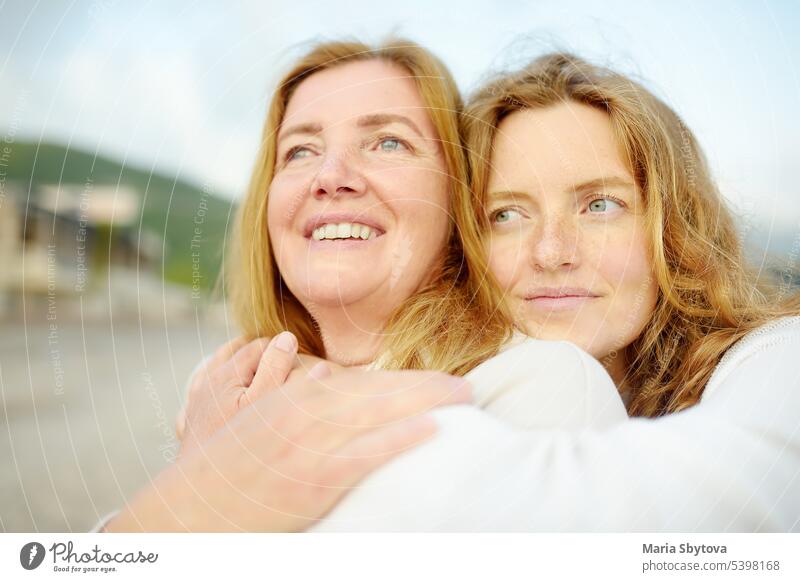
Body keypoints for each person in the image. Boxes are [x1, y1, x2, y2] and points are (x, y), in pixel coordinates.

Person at [195, 52, 800, 532]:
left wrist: (207, 488)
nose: (552, 251)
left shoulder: (776, 360)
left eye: (601, 205)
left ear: (674, 230)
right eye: (506, 215)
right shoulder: (473, 381)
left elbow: (738, 501)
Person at [103, 40, 624, 532]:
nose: (330, 175)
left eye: (387, 142)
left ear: (456, 196)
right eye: (301, 151)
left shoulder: (542, 387)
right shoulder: (224, 383)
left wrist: (200, 497)